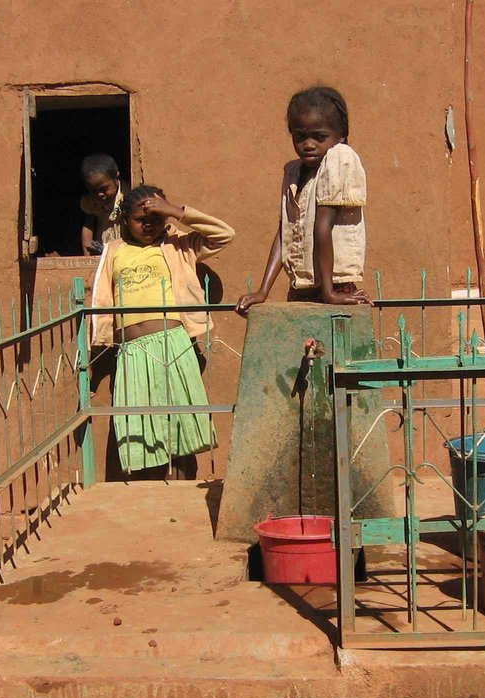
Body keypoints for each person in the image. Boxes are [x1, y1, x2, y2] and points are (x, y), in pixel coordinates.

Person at [91, 184, 235, 479]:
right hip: (133, 353)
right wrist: (99, 346)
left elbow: (225, 234)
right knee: (142, 427)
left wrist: (175, 211)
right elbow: (104, 298)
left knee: (179, 425)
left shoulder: (178, 245)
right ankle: (149, 496)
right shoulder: (115, 251)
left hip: (174, 347)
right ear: (123, 220)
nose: (148, 225)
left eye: (156, 218)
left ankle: (181, 490)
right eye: (140, 219)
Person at [236, 86, 370, 314]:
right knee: (304, 349)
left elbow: (323, 226)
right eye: (300, 136)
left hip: (335, 287)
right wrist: (262, 291)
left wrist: (329, 294)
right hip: (301, 288)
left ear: (341, 136)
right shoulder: (293, 171)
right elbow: (284, 233)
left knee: (330, 348)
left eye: (319, 137)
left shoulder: (338, 159)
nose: (308, 144)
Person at [80, 154, 126, 257]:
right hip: (102, 250)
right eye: (93, 190)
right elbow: (88, 227)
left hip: (123, 250)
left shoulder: (127, 195)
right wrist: (87, 257)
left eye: (104, 189)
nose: (99, 194)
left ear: (116, 178)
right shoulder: (92, 200)